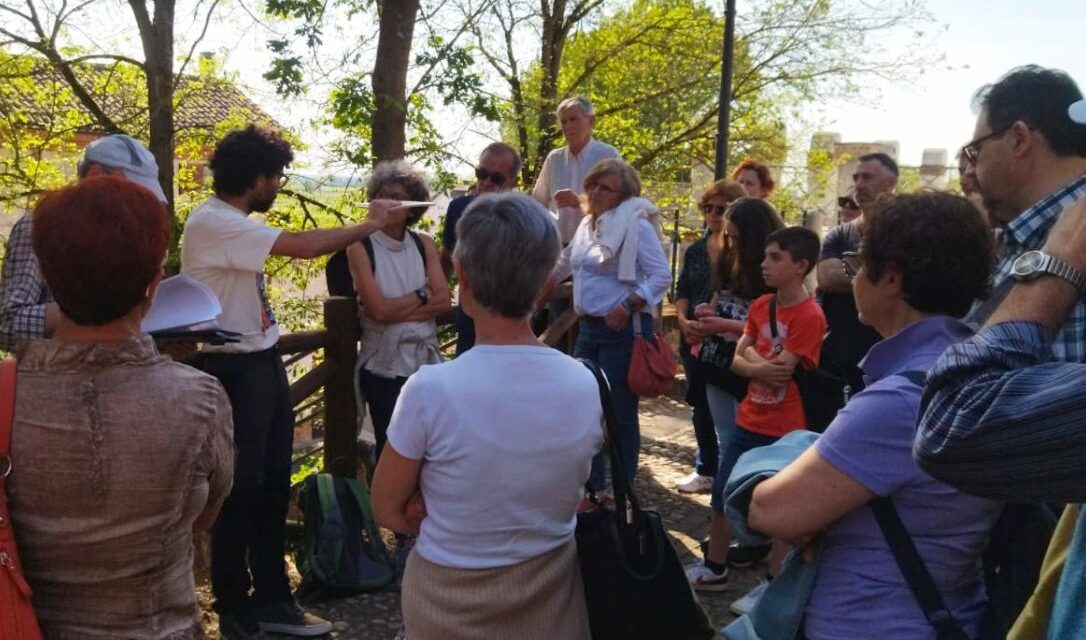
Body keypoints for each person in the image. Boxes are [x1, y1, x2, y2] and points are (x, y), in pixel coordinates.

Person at [748, 193, 1002, 640]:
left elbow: (771, 511)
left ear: (892, 278)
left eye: (859, 265)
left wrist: (798, 492)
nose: (855, 278)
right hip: (948, 610)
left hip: (869, 621)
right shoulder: (978, 368)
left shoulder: (900, 399)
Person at [182, 124, 395, 640]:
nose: (280, 185)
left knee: (274, 483)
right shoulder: (215, 221)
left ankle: (274, 598)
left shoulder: (229, 221)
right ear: (256, 178)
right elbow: (302, 246)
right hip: (231, 367)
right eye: (277, 176)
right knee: (243, 488)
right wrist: (368, 225)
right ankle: (238, 608)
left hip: (260, 360)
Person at [7, 176, 233, 638]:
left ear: (49, 279)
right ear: (153, 287)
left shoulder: (6, 395)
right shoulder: (200, 400)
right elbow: (204, 515)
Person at [371, 193, 601, 640]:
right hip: (553, 598)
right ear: (545, 286)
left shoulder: (429, 389)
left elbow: (386, 508)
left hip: (444, 602)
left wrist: (441, 508)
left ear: (462, 277)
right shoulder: (585, 383)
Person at [916, 75, 1086, 638]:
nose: (971, 165)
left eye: (974, 148)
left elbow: (960, 425)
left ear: (1018, 138)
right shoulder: (1023, 239)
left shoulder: (1063, 244)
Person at [686, 226, 824, 592]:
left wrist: (752, 363)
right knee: (722, 493)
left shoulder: (810, 316)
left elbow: (782, 370)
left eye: (775, 258)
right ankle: (715, 566)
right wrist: (757, 367)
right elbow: (738, 357)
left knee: (780, 507)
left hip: (786, 428)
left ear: (801, 265)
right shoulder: (763, 305)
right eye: (765, 256)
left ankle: (773, 582)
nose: (764, 264)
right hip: (749, 419)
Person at [553, 158, 670, 496]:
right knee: (584, 409)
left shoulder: (635, 226)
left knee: (619, 414)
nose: (596, 192)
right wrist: (538, 285)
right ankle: (593, 488)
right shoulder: (588, 225)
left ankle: (620, 492)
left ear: (624, 195)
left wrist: (628, 304)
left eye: (607, 188)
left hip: (622, 331)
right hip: (588, 329)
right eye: (594, 185)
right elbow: (565, 264)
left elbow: (661, 276)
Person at [0, 134, 167, 350]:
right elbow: (7, 324)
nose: (138, 202)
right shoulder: (42, 226)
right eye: (129, 188)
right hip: (56, 374)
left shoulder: (132, 233)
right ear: (95, 175)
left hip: (125, 371)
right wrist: (100, 310)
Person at [346, 160, 450, 461]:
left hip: (424, 364)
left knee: (429, 447)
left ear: (411, 207)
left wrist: (396, 311)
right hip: (383, 365)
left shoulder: (424, 244)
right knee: (391, 448)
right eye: (385, 195)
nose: (390, 204)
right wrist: (421, 295)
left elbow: (443, 302)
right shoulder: (359, 246)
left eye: (399, 197)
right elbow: (377, 311)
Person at [674, 179, 746, 494]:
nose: (714, 214)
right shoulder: (695, 250)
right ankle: (706, 469)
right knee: (700, 404)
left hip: (727, 341)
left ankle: (732, 477)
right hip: (694, 336)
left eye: (722, 209)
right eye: (709, 208)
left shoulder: (740, 253)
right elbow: (683, 289)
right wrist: (681, 320)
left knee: (731, 415)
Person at [816, 152, 897, 394]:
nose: (859, 185)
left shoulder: (907, 230)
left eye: (868, 177)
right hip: (838, 358)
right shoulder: (840, 234)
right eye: (856, 177)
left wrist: (852, 269)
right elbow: (827, 277)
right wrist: (878, 275)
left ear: (890, 182)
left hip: (885, 357)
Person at [440, 142, 522, 354]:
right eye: (481, 173)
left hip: (509, 318)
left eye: (496, 178)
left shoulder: (524, 217)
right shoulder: (458, 208)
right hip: (468, 316)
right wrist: (437, 296)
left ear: (512, 181)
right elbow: (446, 259)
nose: (485, 182)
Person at [532, 96, 620, 245]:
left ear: (591, 121)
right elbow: (538, 202)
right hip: (555, 246)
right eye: (564, 121)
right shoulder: (554, 159)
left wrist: (580, 202)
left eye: (573, 119)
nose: (567, 126)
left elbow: (619, 204)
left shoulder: (608, 156)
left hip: (594, 246)